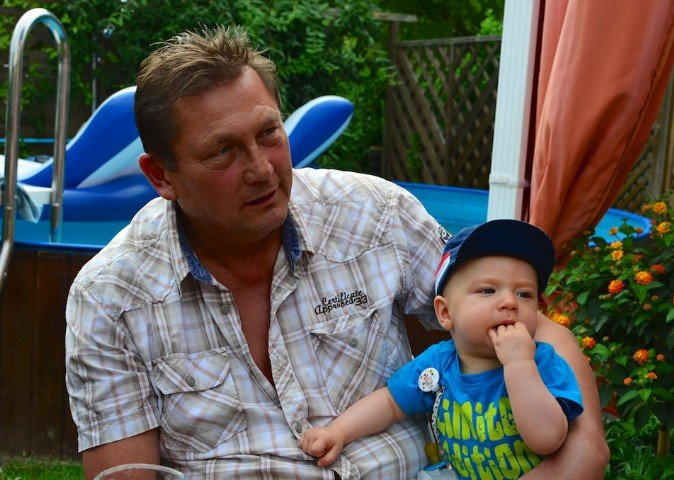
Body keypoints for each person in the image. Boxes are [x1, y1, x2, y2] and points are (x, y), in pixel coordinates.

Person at [65, 25, 609, 479]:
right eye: (223, 152)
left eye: (269, 133)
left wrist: (583, 449)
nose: (262, 169)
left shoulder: (375, 215)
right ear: (161, 175)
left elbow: (525, 321)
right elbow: (126, 474)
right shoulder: (111, 296)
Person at [300, 220, 583, 478]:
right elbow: (390, 403)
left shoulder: (543, 362)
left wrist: (519, 364)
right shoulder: (438, 364)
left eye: (524, 294)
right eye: (487, 290)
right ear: (445, 313)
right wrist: (338, 431)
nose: (510, 302)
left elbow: (548, 440)